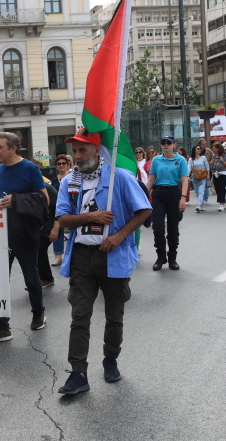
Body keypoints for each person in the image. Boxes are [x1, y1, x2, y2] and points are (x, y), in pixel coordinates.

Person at [55, 130, 152, 395]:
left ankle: (110, 360)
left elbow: (144, 209)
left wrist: (120, 236)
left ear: (97, 150)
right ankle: (78, 373)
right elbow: (63, 219)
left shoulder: (119, 177)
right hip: (82, 258)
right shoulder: (69, 183)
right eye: (75, 151)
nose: (77, 156)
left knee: (114, 316)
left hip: (114, 256)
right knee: (79, 316)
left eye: (82, 150)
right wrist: (91, 217)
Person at [0, 132, 49, 344]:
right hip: (2, 236)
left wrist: (17, 201)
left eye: (1, 147)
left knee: (31, 278)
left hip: (25, 234)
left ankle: (38, 313)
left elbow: (44, 199)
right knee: (0, 282)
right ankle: (2, 327)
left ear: (13, 148)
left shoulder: (30, 168)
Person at [146, 135, 189, 271]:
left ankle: (172, 258)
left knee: (173, 228)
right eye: (163, 143)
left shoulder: (180, 160)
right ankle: (160, 257)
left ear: (174, 144)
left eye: (168, 143)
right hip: (158, 194)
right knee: (157, 227)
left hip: (174, 194)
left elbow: (184, 180)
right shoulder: (156, 160)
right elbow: (151, 179)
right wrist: (144, 195)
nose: (166, 145)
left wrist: (183, 198)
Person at [51, 154, 73, 265]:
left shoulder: (73, 178)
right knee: (58, 230)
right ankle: (58, 256)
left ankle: (73, 255)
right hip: (59, 208)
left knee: (74, 231)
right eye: (59, 163)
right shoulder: (54, 181)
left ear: (68, 164)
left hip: (72, 208)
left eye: (63, 163)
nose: (61, 165)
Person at [37, 180, 59, 288]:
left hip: (48, 228)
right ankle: (42, 278)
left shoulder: (48, 188)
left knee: (40, 250)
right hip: (36, 229)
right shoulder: (26, 188)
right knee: (37, 252)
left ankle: (46, 278)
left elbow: (59, 209)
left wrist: (55, 229)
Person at [210, 143, 226, 212]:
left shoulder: (225, 156)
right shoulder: (214, 156)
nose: (212, 149)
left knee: (221, 188)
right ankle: (223, 200)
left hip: (223, 174)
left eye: (214, 148)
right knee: (217, 189)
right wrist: (211, 164)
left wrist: (223, 161)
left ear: (218, 149)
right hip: (215, 174)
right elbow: (211, 167)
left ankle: (221, 204)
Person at [189, 144, 210, 212]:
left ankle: (198, 205)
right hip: (194, 177)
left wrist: (208, 174)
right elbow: (189, 168)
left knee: (201, 191)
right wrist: (188, 176)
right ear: (194, 150)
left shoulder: (203, 157)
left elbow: (207, 166)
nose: (199, 150)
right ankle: (202, 204)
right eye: (198, 148)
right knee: (197, 192)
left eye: (200, 149)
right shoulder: (191, 159)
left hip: (203, 176)